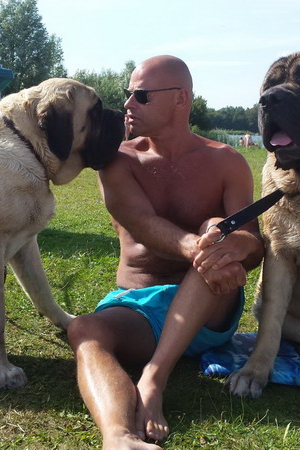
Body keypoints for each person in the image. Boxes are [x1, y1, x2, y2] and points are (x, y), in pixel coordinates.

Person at [66, 55, 264, 449]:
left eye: (141, 96)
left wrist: (234, 244)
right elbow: (141, 223)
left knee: (216, 228)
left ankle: (153, 379)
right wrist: (203, 249)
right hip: (137, 310)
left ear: (180, 98)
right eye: (128, 94)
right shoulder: (119, 161)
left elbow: (252, 244)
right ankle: (119, 437)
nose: (128, 104)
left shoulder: (227, 162)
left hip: (209, 311)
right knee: (84, 330)